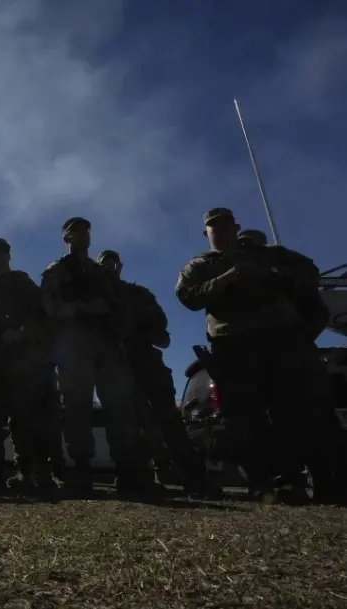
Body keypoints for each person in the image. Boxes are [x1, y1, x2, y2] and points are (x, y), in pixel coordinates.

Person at [175, 208, 341, 504]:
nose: (220, 230)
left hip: (281, 342)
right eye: (214, 227)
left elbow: (309, 273)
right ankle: (266, 483)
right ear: (206, 233)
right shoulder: (200, 265)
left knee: (295, 412)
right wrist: (226, 279)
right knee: (245, 419)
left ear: (236, 227)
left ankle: (310, 482)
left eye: (226, 225)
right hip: (233, 346)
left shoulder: (270, 255)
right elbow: (188, 296)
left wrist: (272, 274)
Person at [97, 250, 218, 497]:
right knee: (124, 424)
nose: (109, 267)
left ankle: (193, 479)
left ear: (120, 266)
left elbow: (160, 332)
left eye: (112, 263)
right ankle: (133, 478)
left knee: (169, 421)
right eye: (103, 264)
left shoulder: (138, 294)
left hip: (145, 362)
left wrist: (136, 330)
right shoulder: (95, 297)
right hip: (113, 365)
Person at [40, 218, 148, 493]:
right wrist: (84, 308)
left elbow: (120, 307)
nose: (82, 235)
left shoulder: (101, 273)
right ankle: (82, 469)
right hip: (76, 344)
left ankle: (127, 471)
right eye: (75, 232)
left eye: (85, 230)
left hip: (107, 345)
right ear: (66, 238)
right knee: (78, 408)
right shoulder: (58, 270)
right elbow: (51, 307)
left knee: (118, 407)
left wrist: (117, 331)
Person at [0, 238, 63, 495]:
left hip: (19, 358)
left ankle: (30, 473)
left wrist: (20, 332)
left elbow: (41, 313)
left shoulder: (21, 282)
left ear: (9, 255)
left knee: (24, 417)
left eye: (3, 252)